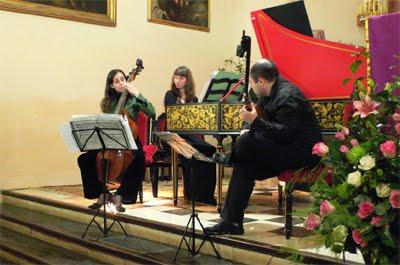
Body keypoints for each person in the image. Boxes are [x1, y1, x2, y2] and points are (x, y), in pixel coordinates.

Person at [205, 59, 322, 235]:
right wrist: (255, 120)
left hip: (302, 153)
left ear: (261, 81)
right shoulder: (268, 95)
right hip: (285, 148)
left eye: (251, 83)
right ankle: (232, 222)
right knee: (243, 166)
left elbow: (286, 134)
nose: (251, 88)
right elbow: (271, 129)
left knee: (246, 142)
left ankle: (230, 158)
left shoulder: (287, 95)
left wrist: (255, 121)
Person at [77, 69, 155, 212]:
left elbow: (152, 112)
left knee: (139, 158)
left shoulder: (134, 99)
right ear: (111, 85)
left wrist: (136, 93)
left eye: (122, 79)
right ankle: (102, 193)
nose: (120, 83)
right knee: (84, 159)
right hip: (110, 141)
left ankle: (121, 195)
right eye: (116, 81)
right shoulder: (107, 103)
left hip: (130, 140)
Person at [163, 66, 217, 205]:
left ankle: (205, 195)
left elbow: (197, 122)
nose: (177, 81)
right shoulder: (170, 95)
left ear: (187, 80)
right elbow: (174, 118)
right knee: (192, 153)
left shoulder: (194, 98)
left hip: (191, 136)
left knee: (209, 150)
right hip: (175, 137)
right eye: (175, 77)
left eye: (181, 78)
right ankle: (192, 194)